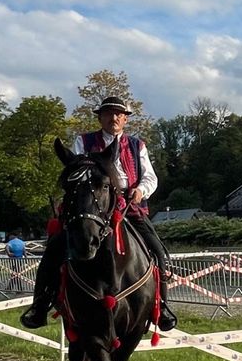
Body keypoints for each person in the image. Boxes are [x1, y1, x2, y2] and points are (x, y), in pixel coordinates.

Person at [19, 95, 178, 332]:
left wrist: (140, 190)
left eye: (118, 114)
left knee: (157, 250)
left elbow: (150, 177)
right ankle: (40, 305)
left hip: (128, 206)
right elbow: (74, 169)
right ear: (100, 117)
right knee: (54, 248)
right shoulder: (84, 142)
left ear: (125, 119)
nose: (113, 118)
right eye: (108, 113)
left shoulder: (138, 145)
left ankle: (162, 307)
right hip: (90, 208)